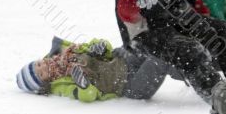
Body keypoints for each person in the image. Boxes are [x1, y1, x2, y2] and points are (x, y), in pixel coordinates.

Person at [16, 36, 167, 102]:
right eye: (41, 74)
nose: (44, 67)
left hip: (123, 60)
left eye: (38, 64)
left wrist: (99, 47)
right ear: (44, 83)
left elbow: (99, 46)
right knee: (164, 58)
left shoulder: (66, 53)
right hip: (129, 85)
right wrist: (83, 84)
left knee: (153, 40)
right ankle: (191, 74)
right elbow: (88, 95)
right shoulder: (61, 86)